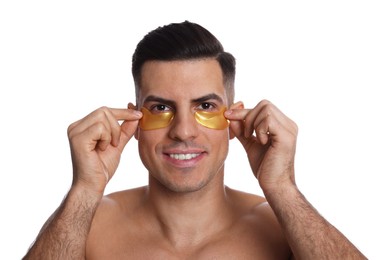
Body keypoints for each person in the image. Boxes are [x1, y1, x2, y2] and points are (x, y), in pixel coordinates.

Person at [23, 21, 366, 259]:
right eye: (160, 107)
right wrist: (84, 188)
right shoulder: (88, 226)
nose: (183, 131)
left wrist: (283, 188)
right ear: (133, 119)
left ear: (234, 117)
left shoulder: (282, 230)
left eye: (205, 106)